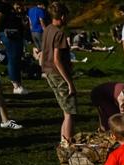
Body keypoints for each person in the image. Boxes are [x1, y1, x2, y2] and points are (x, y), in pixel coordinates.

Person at [39, 2, 75, 145]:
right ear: (62, 16)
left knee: (65, 110)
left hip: (48, 72)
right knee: (69, 112)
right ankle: (67, 145)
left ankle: (63, 141)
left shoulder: (48, 29)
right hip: (57, 74)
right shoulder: (59, 33)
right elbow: (57, 59)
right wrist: (69, 82)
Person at [0, 0, 28, 94]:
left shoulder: (8, 6)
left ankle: (18, 84)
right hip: (9, 36)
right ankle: (16, 85)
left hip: (15, 35)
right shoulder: (1, 5)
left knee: (15, 59)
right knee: (13, 59)